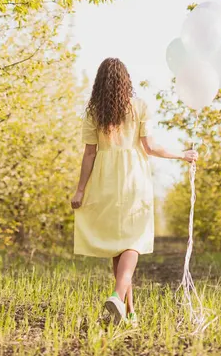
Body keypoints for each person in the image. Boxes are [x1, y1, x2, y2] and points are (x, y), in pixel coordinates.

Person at [71, 57, 198, 326]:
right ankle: (118, 296)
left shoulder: (93, 112)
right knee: (133, 240)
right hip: (134, 177)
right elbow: (150, 148)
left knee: (118, 245)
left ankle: (129, 314)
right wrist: (181, 155)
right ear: (125, 80)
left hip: (104, 178)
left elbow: (89, 153)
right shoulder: (139, 107)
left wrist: (80, 190)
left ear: (99, 83)